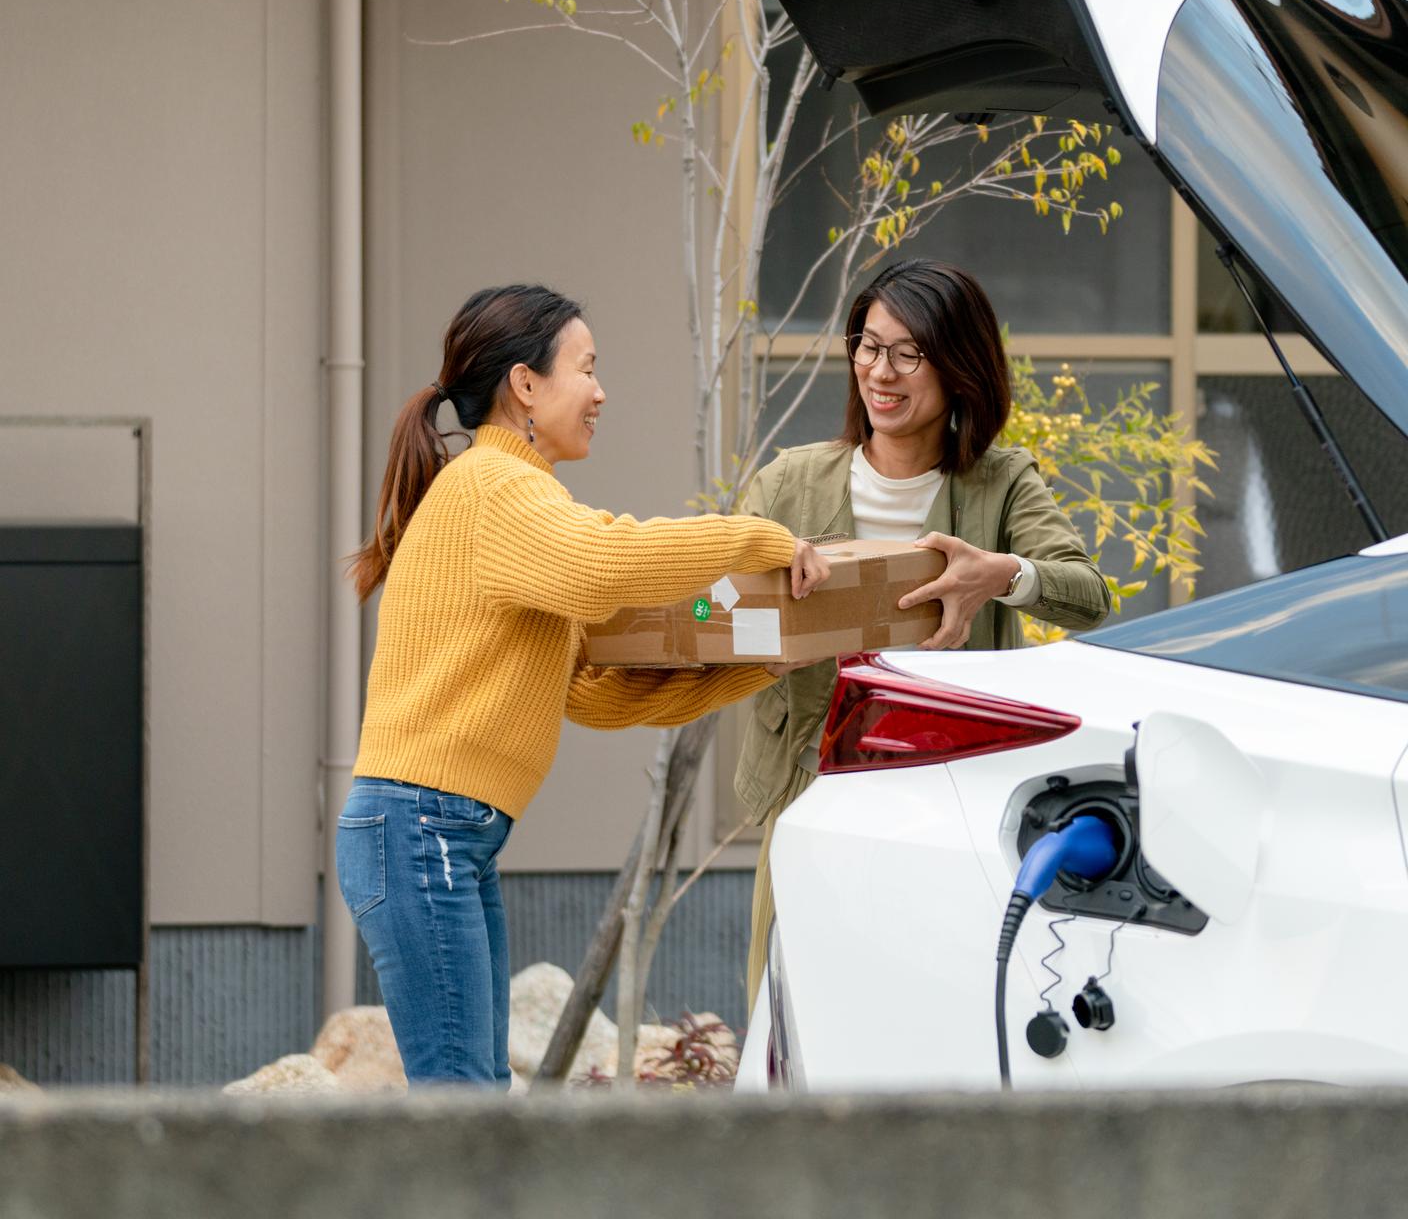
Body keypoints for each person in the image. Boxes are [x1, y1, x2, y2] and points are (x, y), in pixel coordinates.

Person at [340, 283, 829, 1087]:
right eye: (586, 368)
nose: (601, 392)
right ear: (525, 385)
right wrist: (758, 539)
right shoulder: (495, 489)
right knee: (464, 1104)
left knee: (472, 1094)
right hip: (420, 827)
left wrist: (758, 667)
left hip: (438, 831)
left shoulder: (512, 498)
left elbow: (592, 692)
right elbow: (606, 563)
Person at [737, 259, 1111, 1007]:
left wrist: (1003, 574)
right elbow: (712, 614)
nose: (882, 370)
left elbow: (1090, 597)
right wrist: (761, 647)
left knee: (937, 1008)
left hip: (951, 794)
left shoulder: (998, 482)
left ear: (958, 366)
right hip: (815, 787)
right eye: (869, 346)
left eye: (909, 353)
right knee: (798, 1007)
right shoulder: (790, 483)